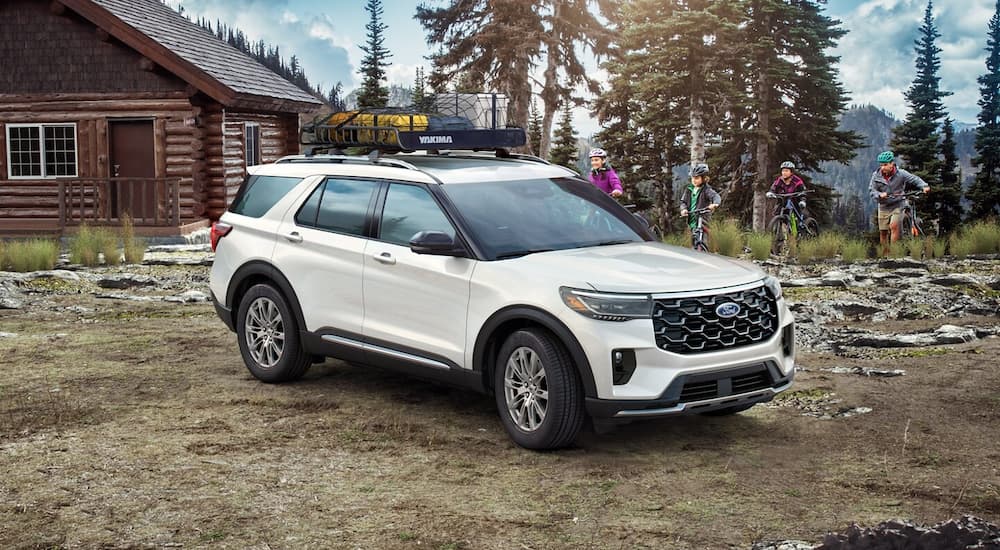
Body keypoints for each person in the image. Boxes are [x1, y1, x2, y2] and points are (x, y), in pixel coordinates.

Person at [868, 151, 930, 257]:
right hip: (883, 207)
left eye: (885, 164)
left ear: (892, 163)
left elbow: (915, 179)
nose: (883, 167)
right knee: (883, 232)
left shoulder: (901, 174)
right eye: (881, 165)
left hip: (898, 205)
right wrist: (879, 195)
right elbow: (871, 190)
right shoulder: (876, 176)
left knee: (894, 226)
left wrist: (924, 186)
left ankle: (894, 254)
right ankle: (885, 255)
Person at [678, 163, 721, 244]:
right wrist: (683, 209)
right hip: (692, 220)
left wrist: (715, 204)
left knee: (702, 240)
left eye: (697, 178)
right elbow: (683, 202)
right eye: (692, 178)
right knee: (692, 242)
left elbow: (715, 196)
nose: (694, 180)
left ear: (704, 178)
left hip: (703, 220)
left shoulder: (706, 190)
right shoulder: (689, 189)